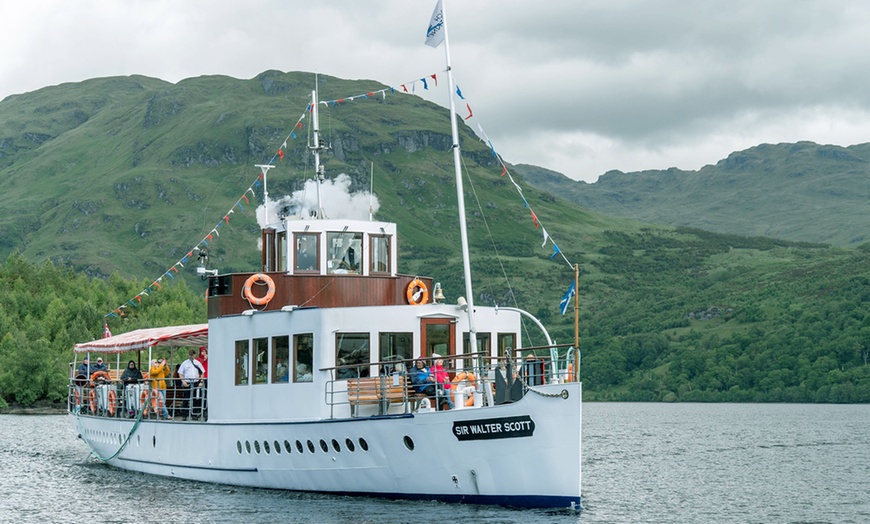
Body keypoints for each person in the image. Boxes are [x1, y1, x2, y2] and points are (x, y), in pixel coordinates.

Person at [178, 349, 206, 419]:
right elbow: (180, 373)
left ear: (194, 355)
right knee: (185, 399)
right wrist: (183, 381)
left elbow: (202, 372)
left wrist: (201, 381)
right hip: (188, 382)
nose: (191, 356)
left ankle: (194, 414)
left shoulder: (198, 363)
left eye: (192, 355)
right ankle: (184, 415)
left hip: (196, 382)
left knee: (196, 399)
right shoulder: (185, 363)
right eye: (190, 355)